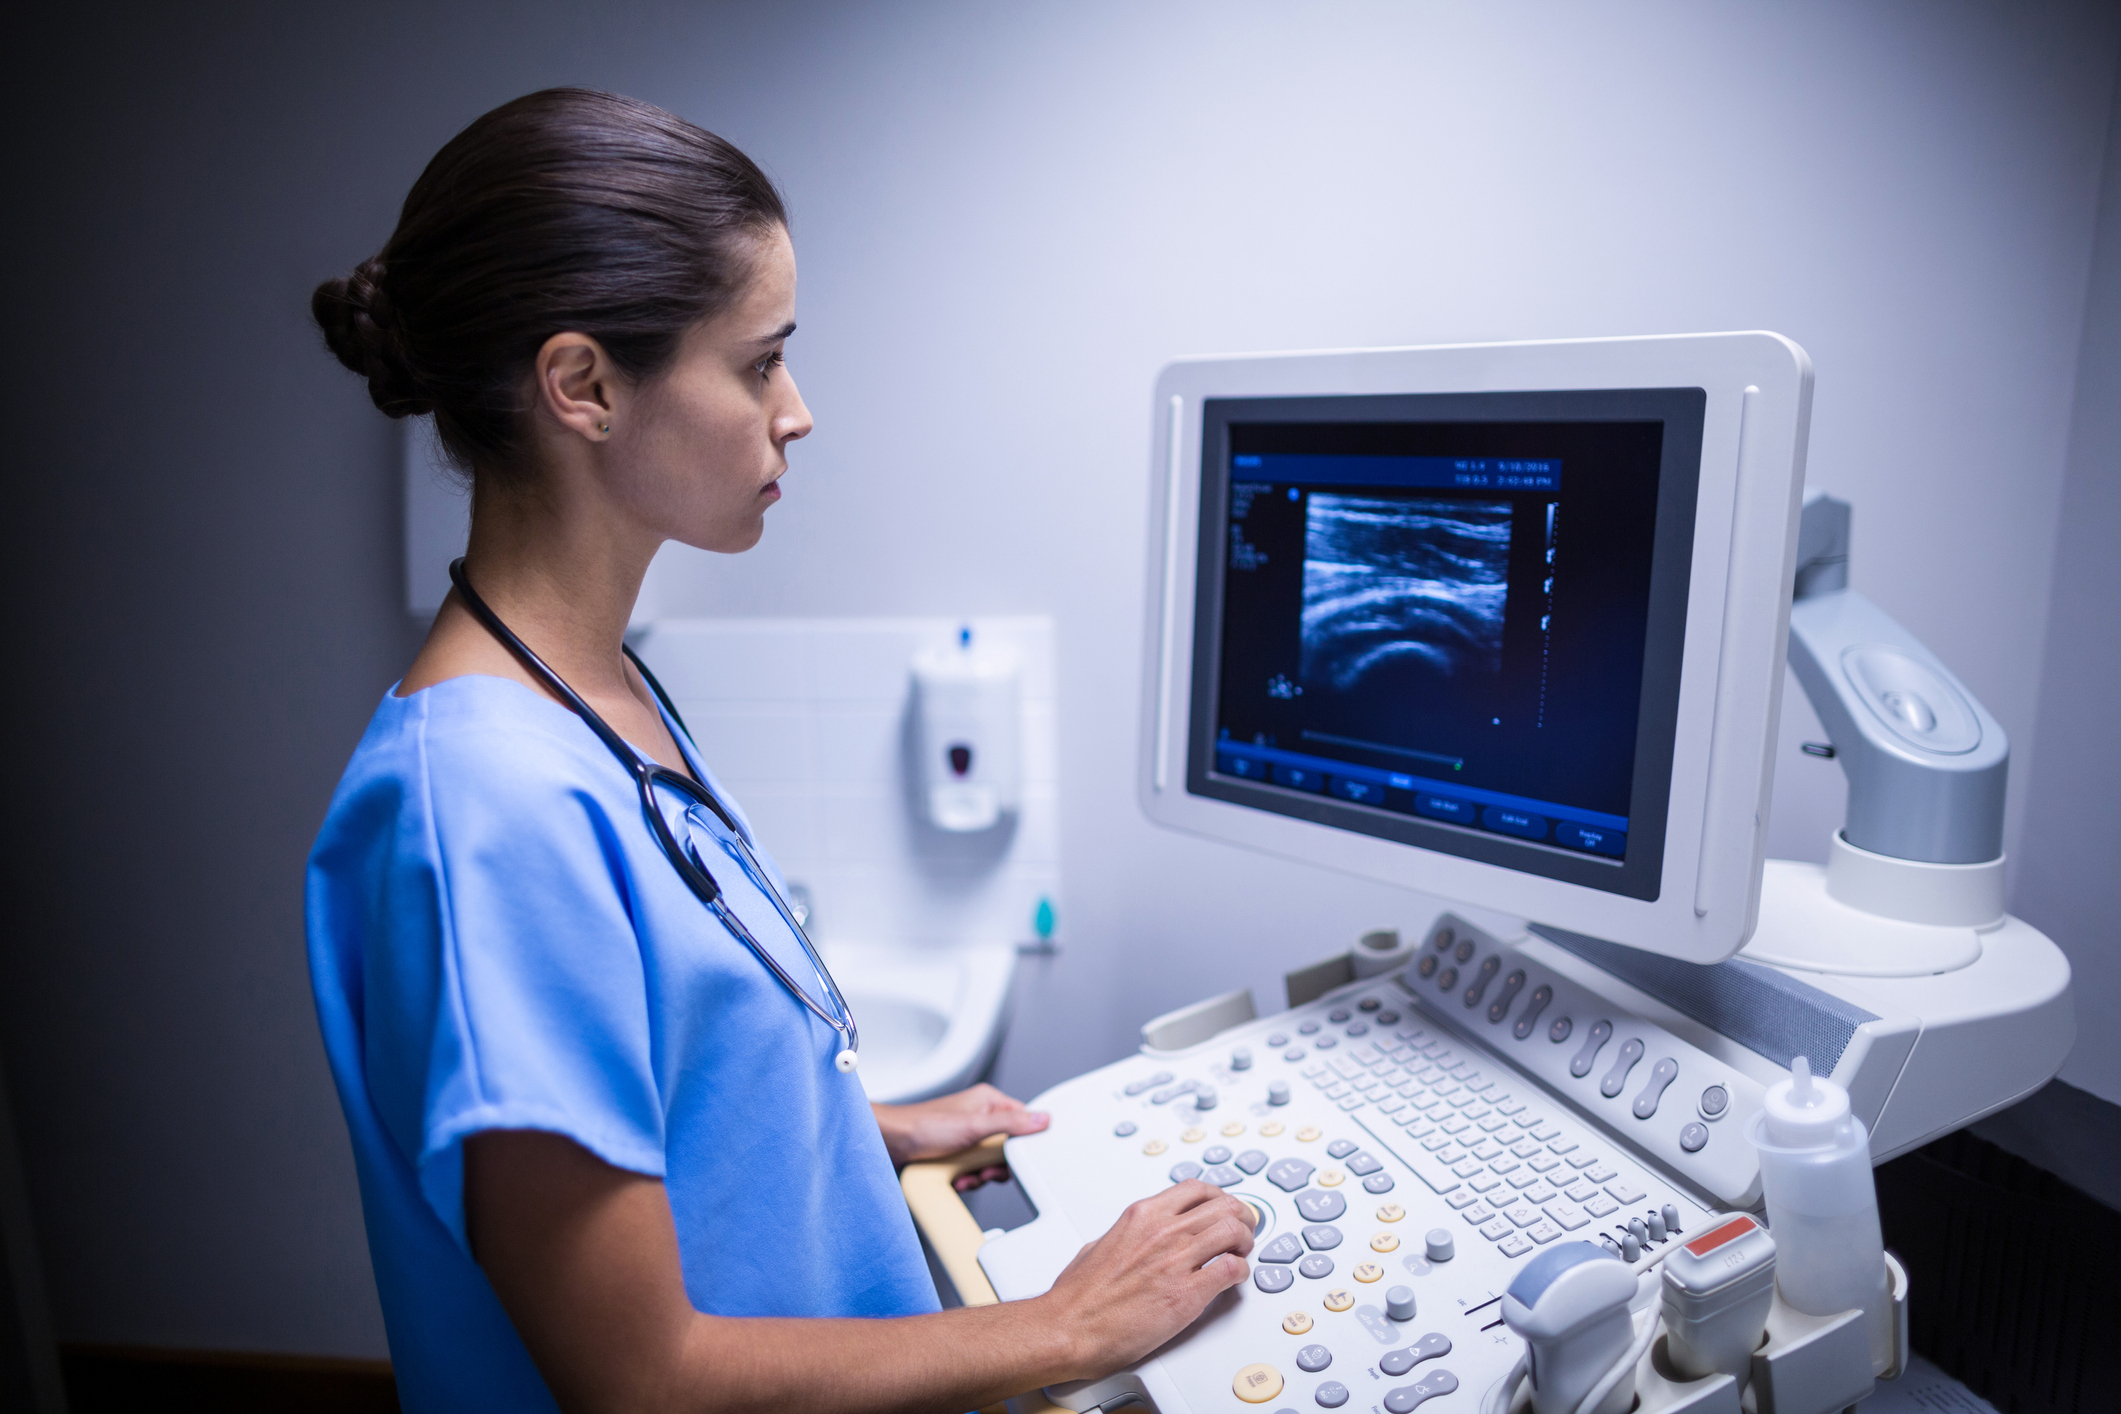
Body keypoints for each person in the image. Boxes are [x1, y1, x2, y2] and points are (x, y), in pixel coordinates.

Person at [304, 88, 1252, 1414]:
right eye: (758, 362)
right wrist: (1064, 1325)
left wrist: (844, 1128)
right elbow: (641, 1374)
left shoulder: (597, 690)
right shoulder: (483, 809)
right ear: (581, 386)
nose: (795, 411)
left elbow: (643, 1121)